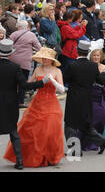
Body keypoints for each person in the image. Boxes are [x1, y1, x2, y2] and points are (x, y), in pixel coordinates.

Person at [3, 47, 65, 168]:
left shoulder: (57, 71)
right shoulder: (37, 69)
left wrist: (52, 80)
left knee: (49, 131)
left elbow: (62, 89)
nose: (44, 60)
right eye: (43, 58)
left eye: (47, 58)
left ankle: (49, 157)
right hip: (38, 102)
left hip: (51, 103)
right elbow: (28, 85)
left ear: (51, 60)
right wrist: (39, 83)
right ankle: (35, 155)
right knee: (33, 131)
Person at [0, 39, 47, 170]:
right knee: (13, 132)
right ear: (10, 54)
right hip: (11, 102)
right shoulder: (15, 68)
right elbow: (24, 86)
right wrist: (41, 83)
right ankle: (19, 161)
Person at [63, 40, 105, 155]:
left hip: (74, 98)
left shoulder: (72, 65)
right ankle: (101, 140)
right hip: (88, 97)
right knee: (86, 123)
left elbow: (65, 80)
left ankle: (74, 150)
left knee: (70, 124)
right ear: (87, 52)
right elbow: (100, 81)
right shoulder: (93, 66)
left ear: (77, 51)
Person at [84, 47, 105, 151]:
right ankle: (88, 142)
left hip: (100, 95)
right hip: (89, 95)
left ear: (101, 57)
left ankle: (98, 140)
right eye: (94, 55)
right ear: (91, 56)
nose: (96, 57)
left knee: (101, 118)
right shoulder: (87, 67)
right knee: (90, 119)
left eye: (98, 55)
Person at [9, 20, 42, 108]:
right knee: (22, 83)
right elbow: (38, 47)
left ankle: (12, 100)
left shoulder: (13, 34)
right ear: (26, 26)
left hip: (13, 61)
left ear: (19, 26)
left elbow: (9, 46)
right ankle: (21, 102)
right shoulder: (31, 35)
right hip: (25, 62)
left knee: (13, 82)